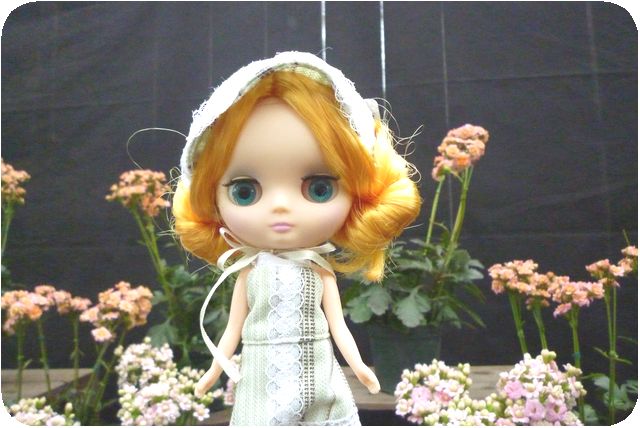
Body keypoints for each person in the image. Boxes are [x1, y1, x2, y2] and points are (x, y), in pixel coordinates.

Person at [173, 51, 421, 425]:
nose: (281, 207)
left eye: (319, 188)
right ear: (210, 197)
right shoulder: (250, 272)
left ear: (362, 193)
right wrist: (214, 369)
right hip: (260, 370)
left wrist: (359, 366)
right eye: (245, 191)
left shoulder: (316, 269)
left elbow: (338, 327)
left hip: (314, 369)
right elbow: (232, 330)